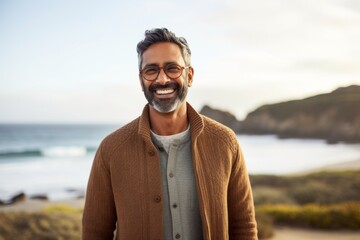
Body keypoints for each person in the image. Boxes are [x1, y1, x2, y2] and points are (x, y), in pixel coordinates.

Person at [82, 28, 258, 240]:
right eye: (151, 70)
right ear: (141, 80)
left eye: (172, 68)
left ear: (189, 75)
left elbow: (244, 227)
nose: (162, 79)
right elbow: (95, 233)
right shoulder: (111, 150)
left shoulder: (225, 142)